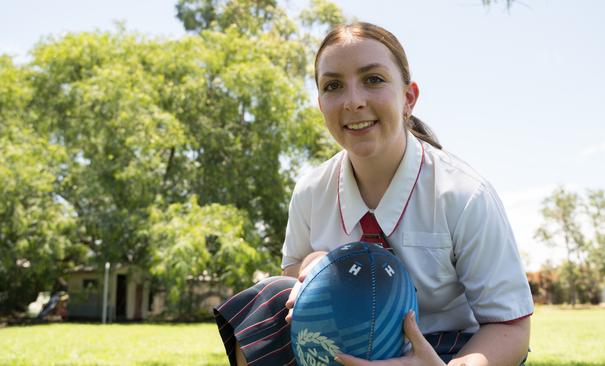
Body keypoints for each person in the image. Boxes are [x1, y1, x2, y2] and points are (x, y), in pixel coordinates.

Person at [214, 22, 534, 366]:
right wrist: (313, 265)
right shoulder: (310, 191)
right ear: (321, 105)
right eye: (333, 85)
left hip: (440, 351)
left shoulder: (465, 195)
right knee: (272, 295)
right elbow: (293, 276)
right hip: (340, 343)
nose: (353, 101)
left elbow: (510, 325)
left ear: (408, 98)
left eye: (373, 79)